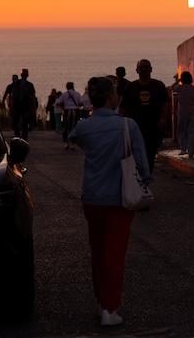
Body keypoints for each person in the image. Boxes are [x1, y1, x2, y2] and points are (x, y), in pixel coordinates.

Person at [69, 76, 151, 328]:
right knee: (114, 252)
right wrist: (147, 181)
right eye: (115, 92)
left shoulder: (85, 126)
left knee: (98, 250)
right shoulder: (128, 125)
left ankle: (100, 299)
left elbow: (73, 137)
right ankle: (109, 307)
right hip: (119, 197)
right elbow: (142, 163)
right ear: (110, 97)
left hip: (92, 197)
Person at [119, 60, 170, 172]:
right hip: (135, 128)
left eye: (146, 67)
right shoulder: (131, 87)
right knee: (135, 154)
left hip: (153, 127)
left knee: (150, 154)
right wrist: (124, 124)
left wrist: (164, 118)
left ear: (151, 69)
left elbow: (166, 103)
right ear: (137, 70)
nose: (143, 69)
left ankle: (147, 176)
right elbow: (123, 107)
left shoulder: (158, 86)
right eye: (141, 67)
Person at [172, 71, 194, 158]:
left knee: (181, 131)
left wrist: (178, 80)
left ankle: (183, 148)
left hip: (182, 111)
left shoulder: (180, 88)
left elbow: (173, 87)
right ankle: (191, 151)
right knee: (192, 132)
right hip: (192, 111)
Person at [56, 81, 83, 149]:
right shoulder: (77, 94)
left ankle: (66, 142)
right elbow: (81, 103)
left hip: (67, 110)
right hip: (75, 111)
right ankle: (72, 143)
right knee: (74, 127)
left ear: (66, 87)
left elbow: (58, 102)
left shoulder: (64, 94)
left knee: (67, 127)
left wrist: (64, 104)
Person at [11, 69, 37, 138]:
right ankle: (23, 137)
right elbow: (32, 97)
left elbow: (13, 95)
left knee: (17, 121)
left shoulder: (17, 83)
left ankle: (17, 135)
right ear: (27, 75)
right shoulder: (29, 85)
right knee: (24, 122)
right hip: (26, 105)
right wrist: (34, 107)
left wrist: (12, 105)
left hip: (18, 105)